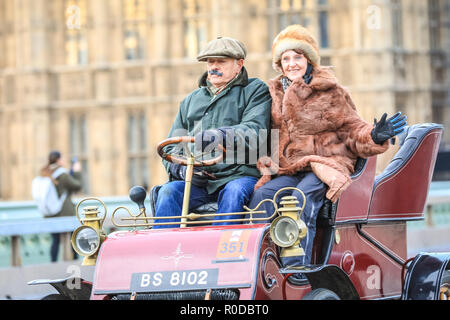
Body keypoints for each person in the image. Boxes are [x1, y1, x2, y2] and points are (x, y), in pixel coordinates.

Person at [248, 25, 407, 267]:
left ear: (309, 60)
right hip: (292, 167)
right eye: (286, 58)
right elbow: (259, 133)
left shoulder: (330, 91)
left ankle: (297, 269)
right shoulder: (273, 94)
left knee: (301, 199)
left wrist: (374, 135)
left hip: (328, 164)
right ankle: (262, 265)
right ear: (279, 64)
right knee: (262, 196)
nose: (292, 63)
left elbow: (353, 129)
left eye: (297, 57)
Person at [153, 37, 272, 228]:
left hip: (239, 176)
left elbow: (254, 131)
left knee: (234, 192)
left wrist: (219, 135)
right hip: (200, 183)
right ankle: (163, 252)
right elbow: (172, 146)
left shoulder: (255, 90)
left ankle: (221, 249)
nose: (214, 67)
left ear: (239, 64)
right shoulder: (191, 100)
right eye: (210, 62)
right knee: (168, 192)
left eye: (221, 61)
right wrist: (181, 170)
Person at [41, 150, 82, 262]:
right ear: (59, 160)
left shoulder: (45, 172)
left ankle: (53, 263)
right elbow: (77, 186)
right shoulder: (62, 174)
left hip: (50, 213)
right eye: (62, 158)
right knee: (73, 238)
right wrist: (77, 172)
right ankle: (75, 261)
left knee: (55, 240)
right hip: (64, 212)